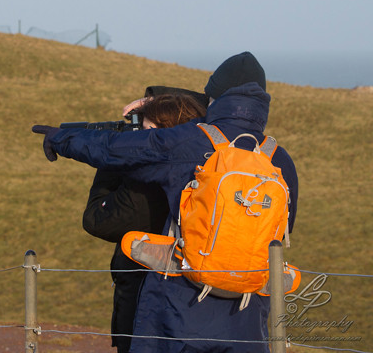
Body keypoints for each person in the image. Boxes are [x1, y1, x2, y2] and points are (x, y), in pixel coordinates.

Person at [32, 51, 298, 352]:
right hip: (247, 319)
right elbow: (285, 227)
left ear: (213, 97)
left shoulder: (191, 142)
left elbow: (115, 149)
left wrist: (61, 139)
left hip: (179, 310)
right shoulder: (279, 160)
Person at [83, 89, 208, 353]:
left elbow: (96, 219)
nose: (138, 138)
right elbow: (211, 104)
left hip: (145, 316)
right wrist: (155, 100)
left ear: (167, 135)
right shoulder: (200, 169)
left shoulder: (144, 186)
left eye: (147, 131)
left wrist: (113, 157)